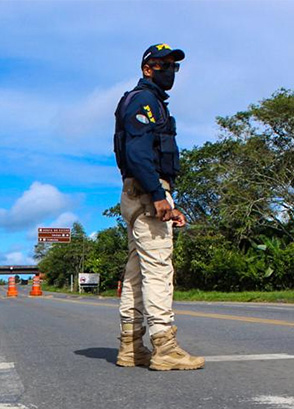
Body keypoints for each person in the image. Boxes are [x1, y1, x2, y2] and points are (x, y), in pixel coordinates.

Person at [113, 44, 204, 371]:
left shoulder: (147, 102)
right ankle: (164, 346)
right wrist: (158, 194)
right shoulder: (144, 101)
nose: (170, 71)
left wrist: (164, 198)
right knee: (158, 268)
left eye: (174, 66)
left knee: (137, 271)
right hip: (146, 192)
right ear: (147, 68)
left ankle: (130, 347)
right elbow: (138, 155)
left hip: (141, 193)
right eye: (163, 65)